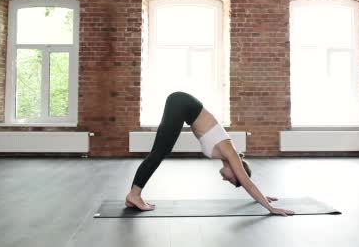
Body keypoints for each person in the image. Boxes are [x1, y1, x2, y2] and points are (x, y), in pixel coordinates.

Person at [125, 91, 294, 216]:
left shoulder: (226, 154)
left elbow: (246, 182)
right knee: (160, 152)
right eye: (230, 179)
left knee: (161, 151)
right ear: (236, 171)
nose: (224, 178)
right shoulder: (231, 153)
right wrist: (270, 208)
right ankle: (134, 195)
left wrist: (262, 197)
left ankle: (133, 196)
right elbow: (248, 183)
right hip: (182, 103)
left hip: (182, 104)